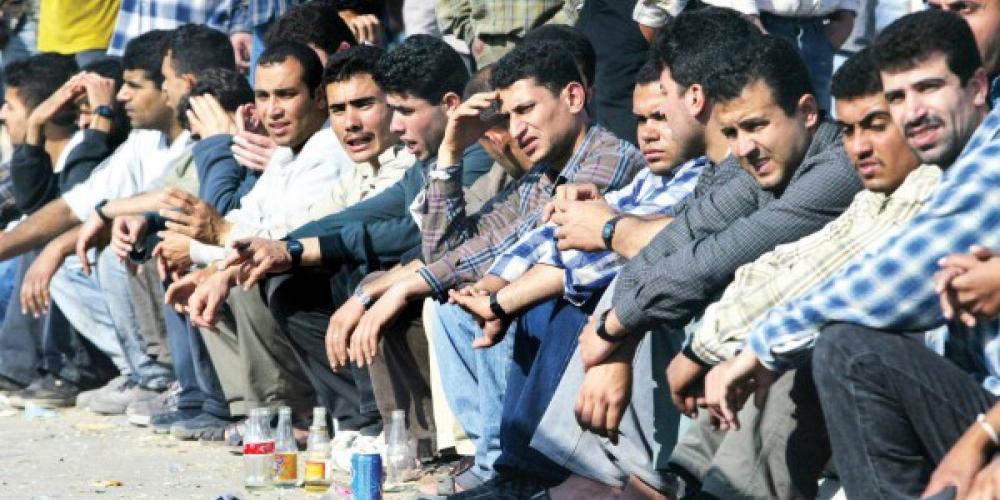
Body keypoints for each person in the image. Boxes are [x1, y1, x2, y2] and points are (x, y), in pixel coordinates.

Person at [524, 28, 862, 500]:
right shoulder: (759, 163)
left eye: (757, 126)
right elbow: (680, 237)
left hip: (828, 359)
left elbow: (722, 254)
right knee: (647, 289)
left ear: (807, 112)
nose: (744, 147)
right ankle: (630, 480)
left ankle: (642, 485)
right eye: (733, 132)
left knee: (693, 302)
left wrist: (613, 328)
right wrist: (617, 336)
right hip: (761, 349)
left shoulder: (838, 168)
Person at [705, 11, 994, 499]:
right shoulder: (941, 171)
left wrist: (762, 345)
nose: (913, 113)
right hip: (974, 404)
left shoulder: (989, 160)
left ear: (977, 88)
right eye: (898, 98)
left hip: (988, 413)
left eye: (929, 89)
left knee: (848, 349)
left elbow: (897, 279)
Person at [667, 48, 936, 500]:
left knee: (811, 344)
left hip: (942, 401)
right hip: (879, 395)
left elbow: (825, 285)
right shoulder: (875, 192)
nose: (859, 146)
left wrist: (708, 349)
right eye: (849, 130)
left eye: (875, 125)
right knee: (771, 335)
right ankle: (680, 481)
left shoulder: (922, 183)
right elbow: (781, 262)